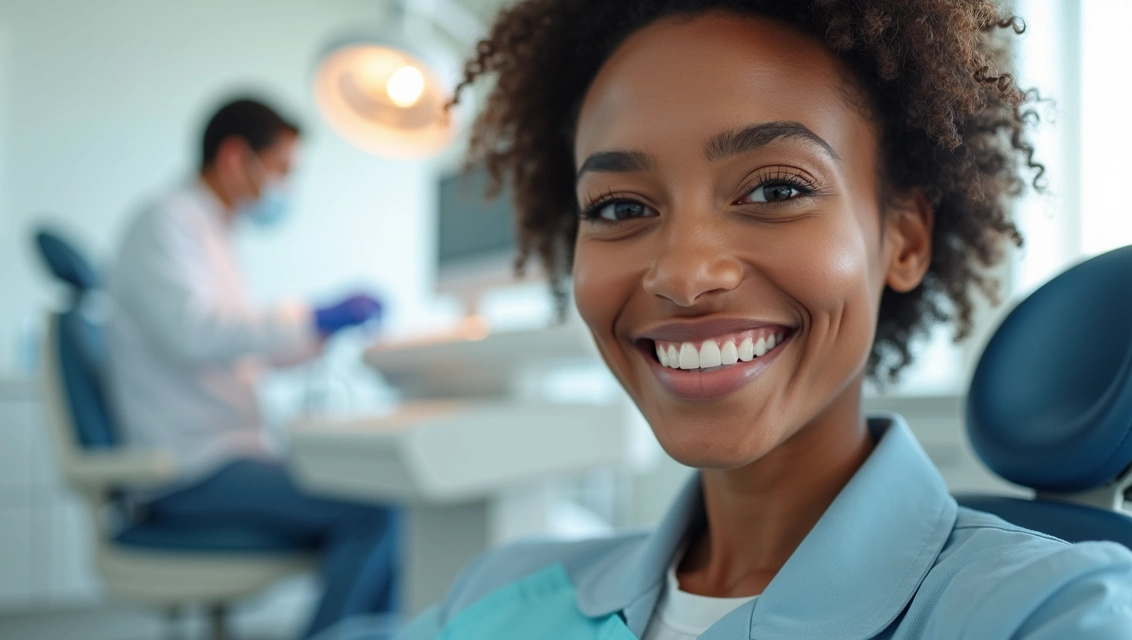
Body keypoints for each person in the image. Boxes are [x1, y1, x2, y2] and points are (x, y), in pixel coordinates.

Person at [401, 1, 1132, 638]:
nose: (685, 275)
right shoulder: (491, 595)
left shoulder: (1049, 610)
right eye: (621, 208)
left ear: (902, 239)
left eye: (776, 189)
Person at [108, 98, 397, 638]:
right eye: (282, 170)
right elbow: (199, 333)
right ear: (237, 157)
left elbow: (244, 347)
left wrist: (321, 330)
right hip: (190, 468)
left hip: (226, 454)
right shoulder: (164, 222)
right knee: (380, 510)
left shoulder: (215, 235)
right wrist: (311, 312)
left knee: (383, 500)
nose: (285, 187)